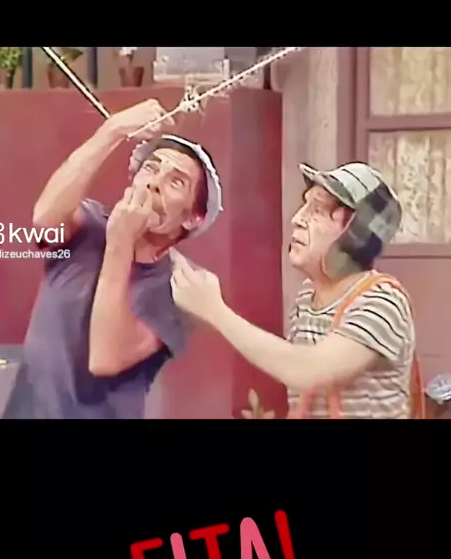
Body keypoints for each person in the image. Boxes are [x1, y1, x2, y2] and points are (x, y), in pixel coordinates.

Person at [3, 99, 223, 419]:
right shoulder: (90, 223)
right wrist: (111, 130)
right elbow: (44, 221)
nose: (154, 183)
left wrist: (121, 242)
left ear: (193, 218)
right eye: (151, 168)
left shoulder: (181, 289)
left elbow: (105, 358)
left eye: (176, 181)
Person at [171, 161, 423, 419]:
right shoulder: (307, 297)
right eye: (305, 205)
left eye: (317, 210)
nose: (297, 219)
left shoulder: (382, 301)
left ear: (356, 235)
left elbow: (309, 371)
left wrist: (215, 311)